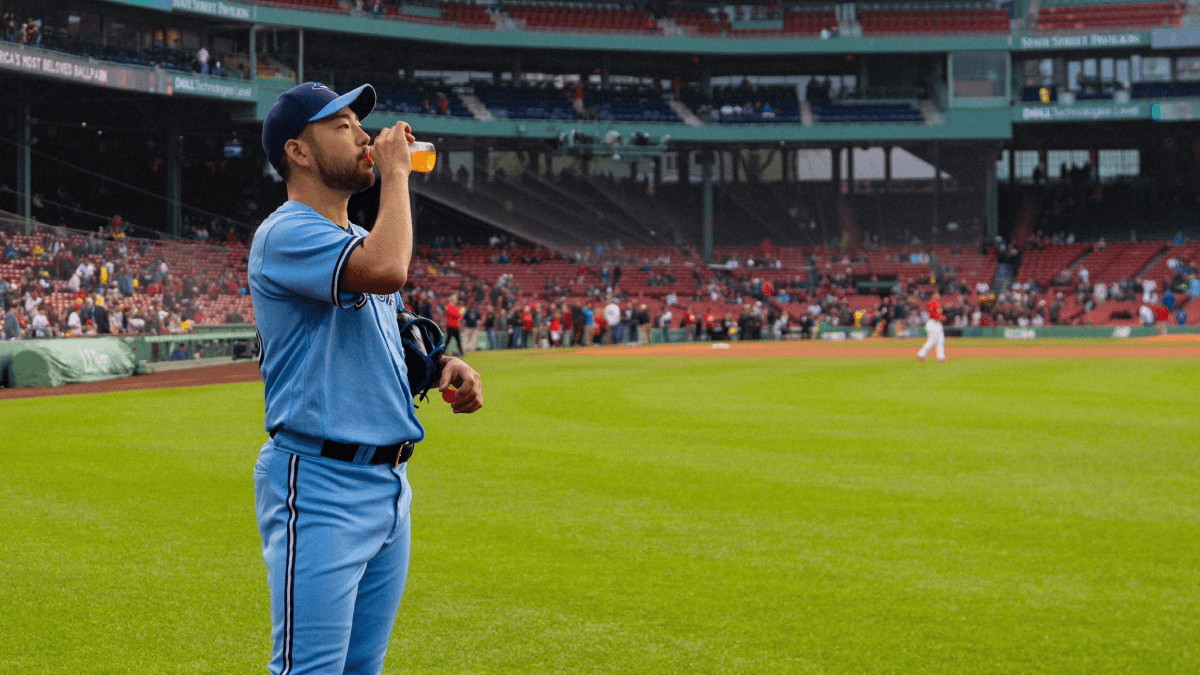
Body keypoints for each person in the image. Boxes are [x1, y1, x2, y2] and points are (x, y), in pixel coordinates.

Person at [249, 82, 483, 675]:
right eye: (342, 124)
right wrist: (398, 174)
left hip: (388, 484)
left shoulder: (353, 238)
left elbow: (387, 337)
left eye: (360, 123)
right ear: (299, 152)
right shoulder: (285, 232)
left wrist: (438, 367)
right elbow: (386, 269)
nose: (362, 136)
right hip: (321, 482)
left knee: (361, 670)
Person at [917, 291, 946, 362]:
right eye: (937, 294)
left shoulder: (937, 303)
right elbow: (932, 315)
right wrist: (941, 317)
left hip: (937, 324)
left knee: (941, 340)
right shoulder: (931, 303)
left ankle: (941, 357)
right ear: (933, 295)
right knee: (932, 340)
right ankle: (921, 354)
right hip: (932, 323)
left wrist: (941, 317)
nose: (938, 295)